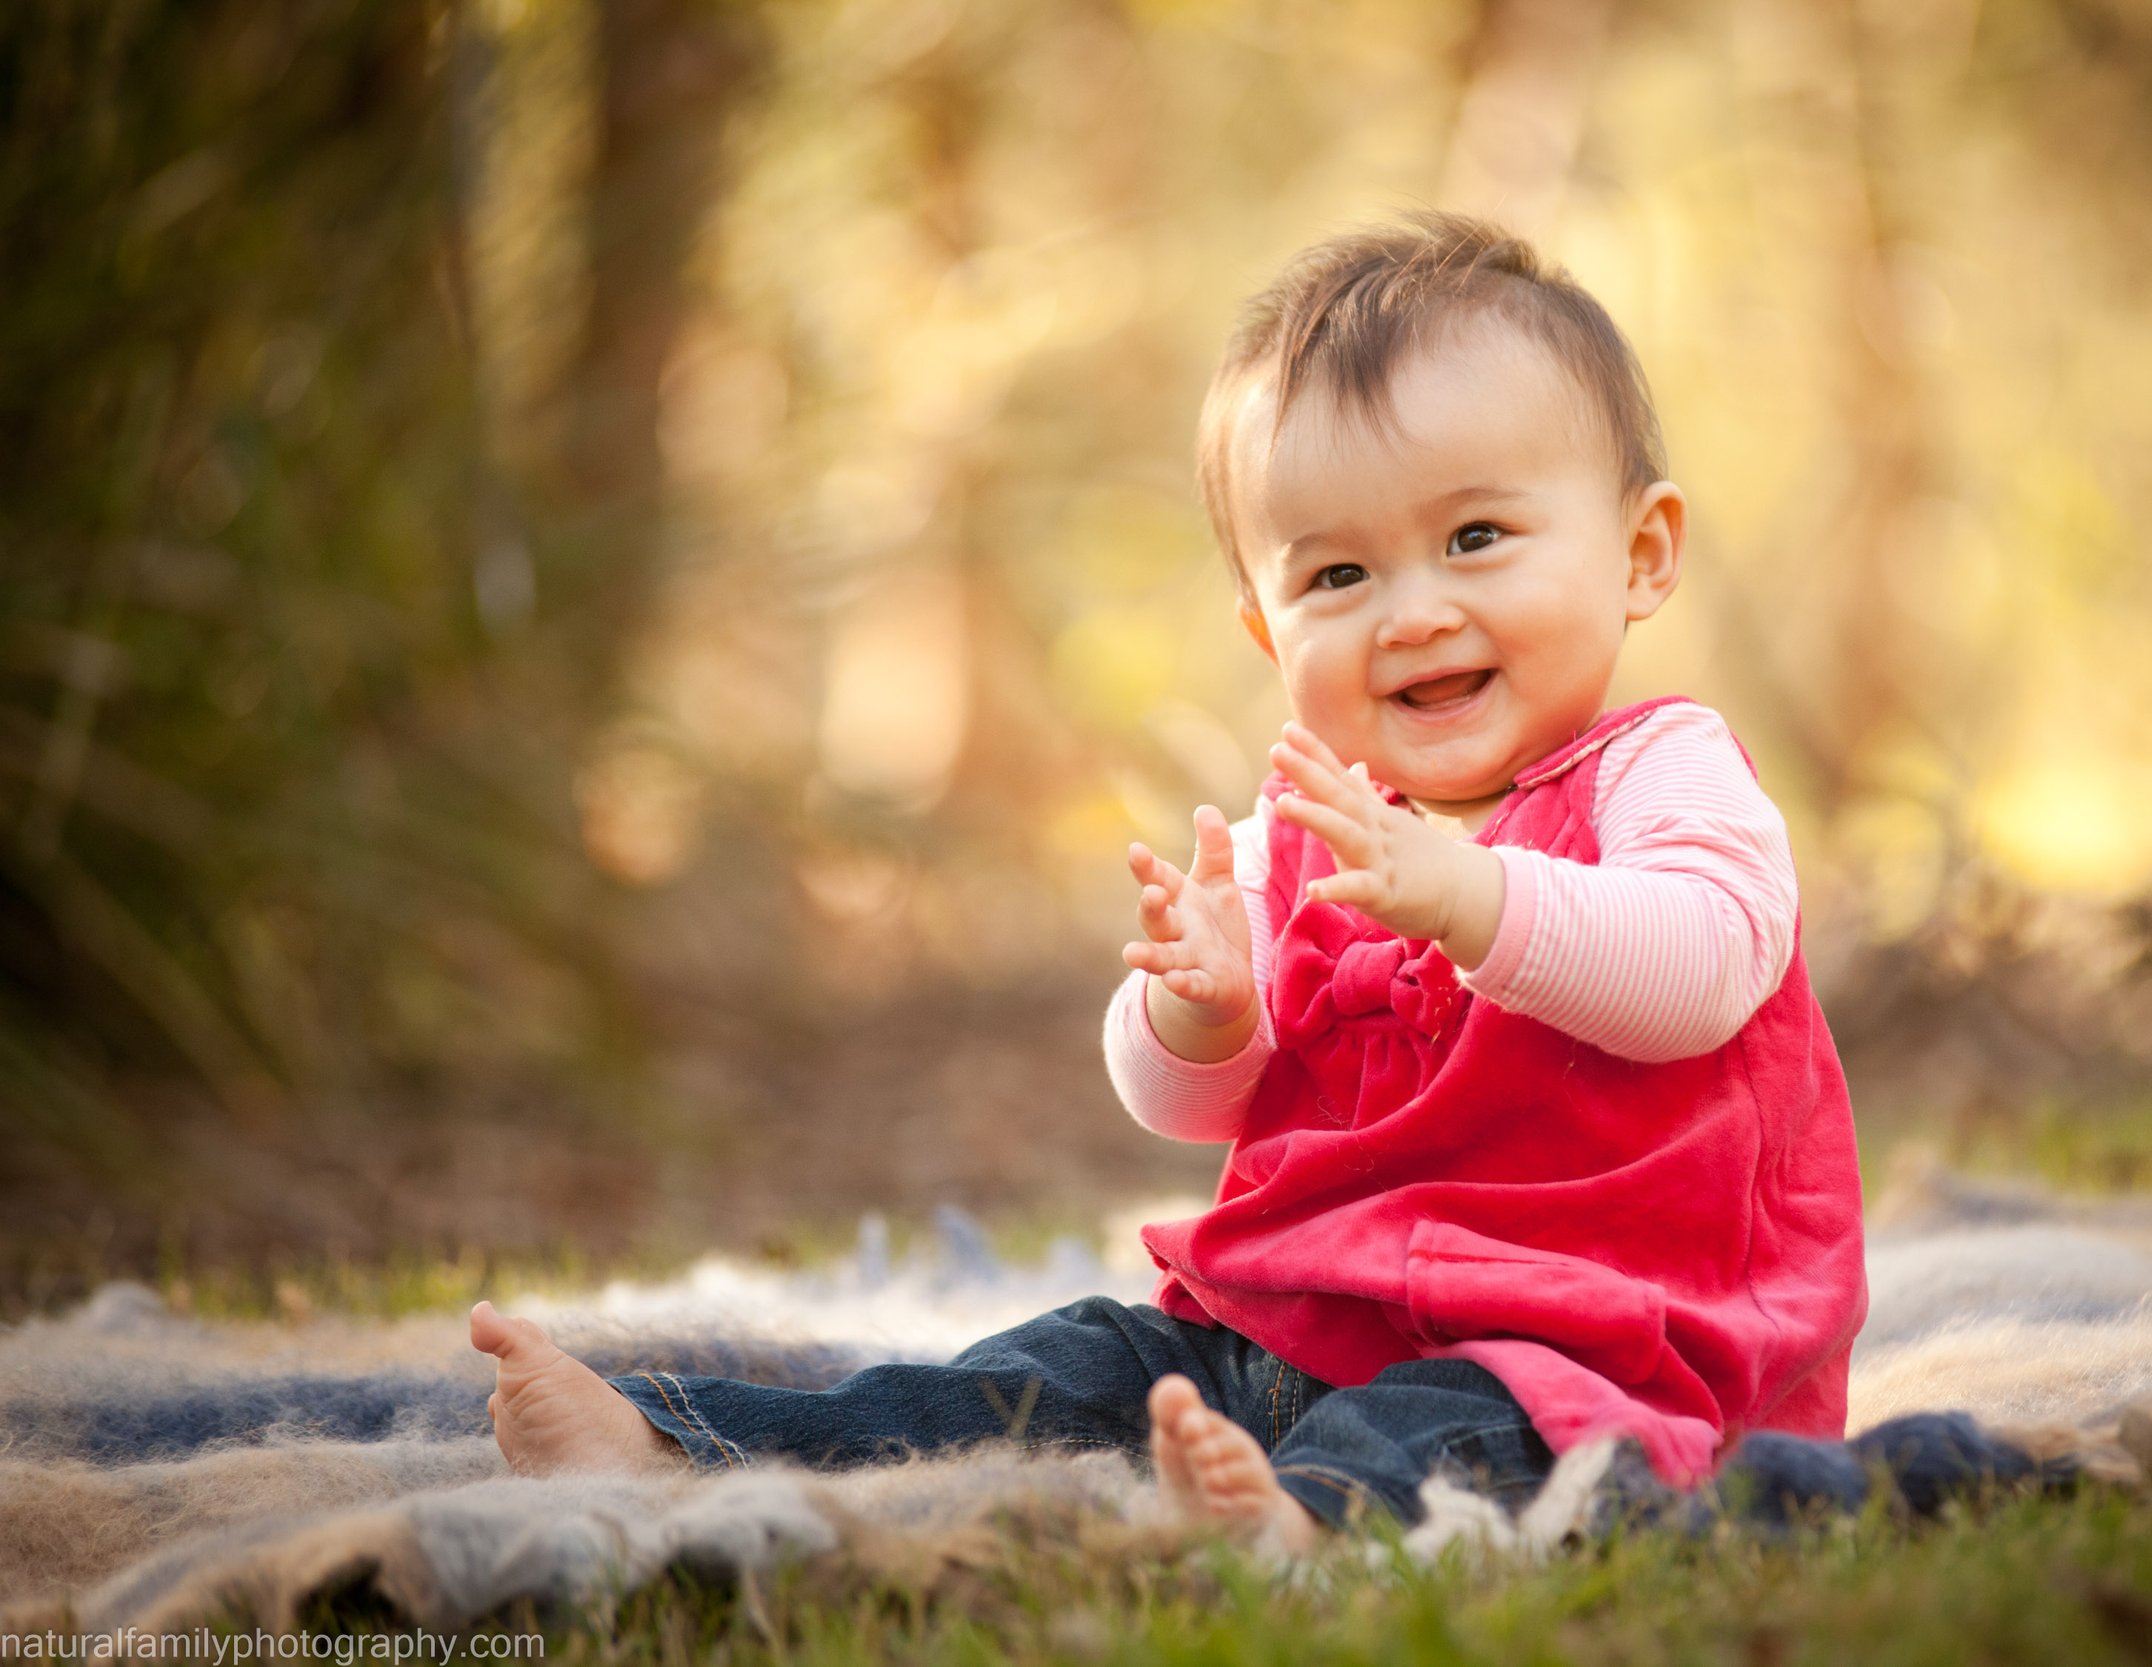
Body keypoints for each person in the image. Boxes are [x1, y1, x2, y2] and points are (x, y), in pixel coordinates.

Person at [470, 211, 1868, 1553]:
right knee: (1069, 1367)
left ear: (1641, 553)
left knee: (1446, 1429)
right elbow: (1182, 1102)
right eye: (1338, 573)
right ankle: (690, 1451)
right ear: (1268, 626)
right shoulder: (1301, 827)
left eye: (1477, 538)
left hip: (1605, 1355)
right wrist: (1205, 1012)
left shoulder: (1660, 773)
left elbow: (1703, 966)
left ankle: (1303, 1524)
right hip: (1293, 1330)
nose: (1416, 608)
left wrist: (1470, 898)